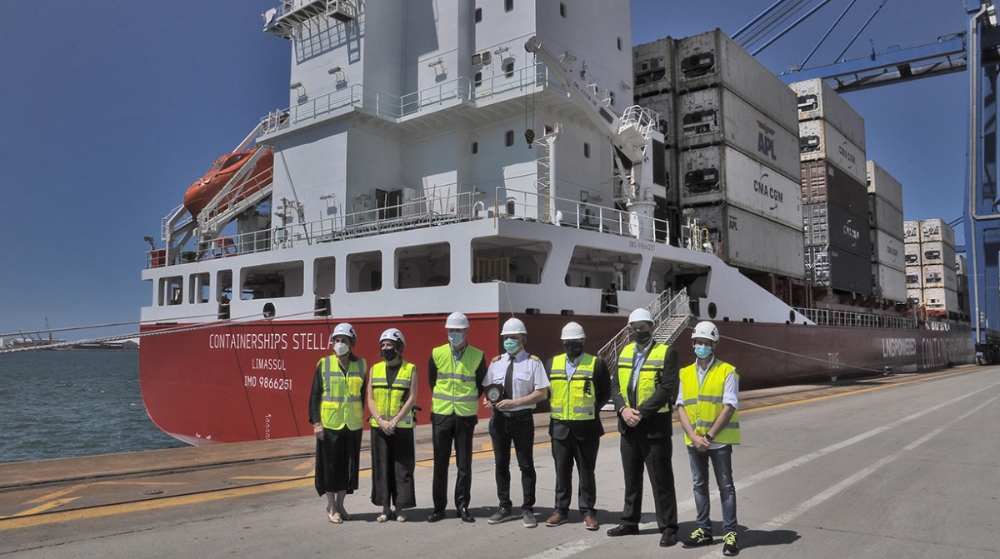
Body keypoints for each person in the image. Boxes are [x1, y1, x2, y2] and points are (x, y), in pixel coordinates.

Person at [607, 308, 680, 547]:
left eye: (643, 327)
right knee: (631, 477)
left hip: (653, 426)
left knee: (661, 479)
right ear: (630, 330)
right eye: (634, 328)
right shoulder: (625, 352)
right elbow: (615, 385)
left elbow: (667, 387)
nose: (638, 332)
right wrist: (623, 410)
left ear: (652, 327)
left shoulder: (666, 353)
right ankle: (630, 521)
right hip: (628, 425)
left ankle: (668, 527)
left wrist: (641, 412)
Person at [677, 321, 741, 556]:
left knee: (726, 487)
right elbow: (681, 407)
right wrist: (694, 437)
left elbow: (729, 406)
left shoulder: (727, 371)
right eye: (699, 342)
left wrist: (709, 436)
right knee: (699, 485)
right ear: (693, 344)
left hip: (719, 441)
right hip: (695, 442)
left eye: (707, 343)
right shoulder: (684, 373)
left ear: (715, 345)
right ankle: (703, 529)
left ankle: (730, 534)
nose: (702, 346)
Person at [544, 322, 611, 531]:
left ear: (583, 341)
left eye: (575, 341)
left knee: (586, 472)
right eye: (568, 342)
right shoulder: (551, 364)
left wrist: (589, 409)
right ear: (562, 342)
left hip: (587, 428)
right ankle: (560, 510)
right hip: (560, 428)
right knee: (561, 472)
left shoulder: (597, 364)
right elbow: (546, 391)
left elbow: (604, 392)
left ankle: (588, 512)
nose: (571, 344)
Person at [483, 317, 550, 528]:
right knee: (501, 464)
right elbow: (489, 389)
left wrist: (516, 403)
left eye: (513, 337)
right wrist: (487, 400)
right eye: (506, 337)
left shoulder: (533, 362)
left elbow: (541, 393)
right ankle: (504, 506)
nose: (509, 341)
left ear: (523, 339)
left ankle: (528, 509)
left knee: (526, 465)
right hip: (499, 421)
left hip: (522, 420)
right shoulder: (496, 363)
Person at [427, 312, 487, 523]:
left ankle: (462, 506)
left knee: (464, 463)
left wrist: (463, 401)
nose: (454, 334)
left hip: (465, 416)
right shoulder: (437, 353)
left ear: (466, 332)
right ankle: (438, 508)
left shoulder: (478, 356)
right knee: (439, 463)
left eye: (458, 330)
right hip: (442, 415)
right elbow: (432, 381)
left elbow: (480, 385)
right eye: (451, 330)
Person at [309, 323, 366, 524]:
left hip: (352, 425)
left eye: (344, 341)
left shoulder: (361, 365)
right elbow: (315, 396)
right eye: (337, 340)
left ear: (352, 344)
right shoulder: (324, 364)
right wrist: (317, 423)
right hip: (330, 425)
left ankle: (341, 504)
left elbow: (363, 396)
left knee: (348, 468)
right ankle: (331, 507)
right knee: (330, 468)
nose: (340, 344)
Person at [366, 328, 418, 522]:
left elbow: (411, 397)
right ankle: (385, 508)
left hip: (401, 427)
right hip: (379, 428)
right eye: (383, 345)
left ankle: (401, 508)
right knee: (382, 467)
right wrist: (380, 420)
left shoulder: (410, 369)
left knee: (402, 468)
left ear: (399, 347)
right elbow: (370, 398)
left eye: (389, 344)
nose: (385, 348)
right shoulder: (374, 369)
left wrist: (394, 421)